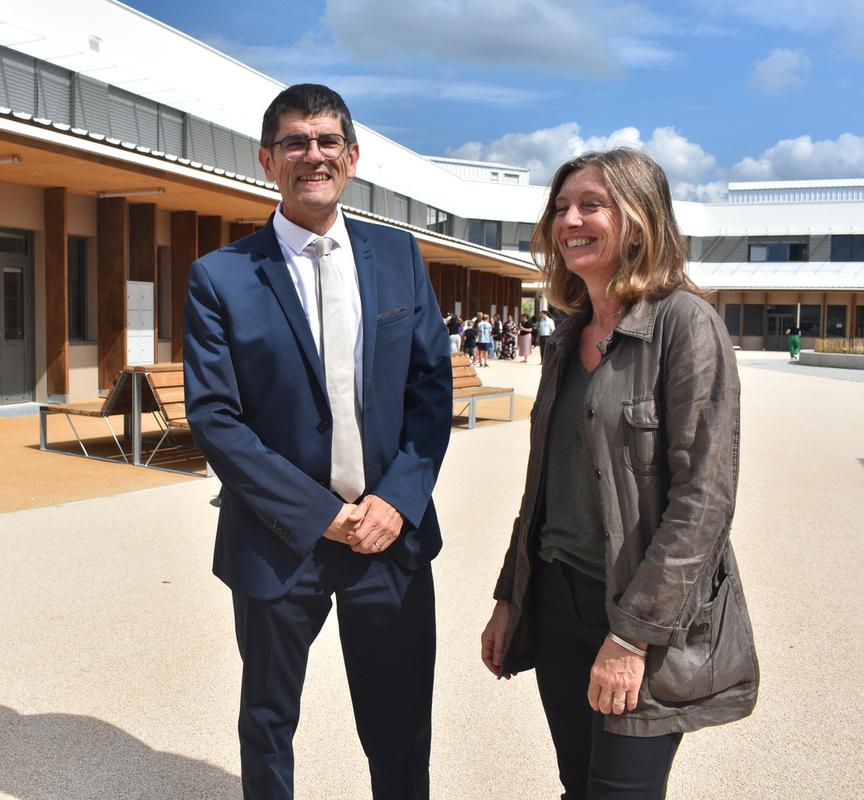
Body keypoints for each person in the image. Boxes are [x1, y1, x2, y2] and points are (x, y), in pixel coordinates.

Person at [184, 83, 452, 800]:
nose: (313, 155)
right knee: (268, 723)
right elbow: (215, 418)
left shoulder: (398, 256)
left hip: (389, 533)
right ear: (267, 160)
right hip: (280, 537)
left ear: (352, 157)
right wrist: (319, 515)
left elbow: (431, 389)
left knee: (400, 725)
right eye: (295, 143)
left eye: (328, 140)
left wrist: (398, 499)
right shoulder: (220, 277)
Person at [479, 148, 758, 799]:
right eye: (560, 207)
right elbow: (541, 487)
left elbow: (704, 502)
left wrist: (631, 637)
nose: (568, 220)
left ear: (638, 220)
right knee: (576, 785)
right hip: (556, 598)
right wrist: (510, 596)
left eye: (590, 205)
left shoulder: (685, 325)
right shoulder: (567, 335)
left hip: (640, 610)